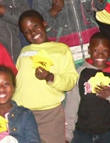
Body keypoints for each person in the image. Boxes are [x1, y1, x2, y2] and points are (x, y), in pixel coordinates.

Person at [14, 10, 78, 143]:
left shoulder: (61, 49)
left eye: (35, 26)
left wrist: (50, 77)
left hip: (49, 113)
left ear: (44, 24)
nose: (32, 33)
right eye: (26, 31)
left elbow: (71, 80)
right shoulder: (24, 51)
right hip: (22, 111)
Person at [64, 33, 110, 142]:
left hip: (109, 131)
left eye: (104, 50)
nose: (100, 55)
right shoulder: (81, 73)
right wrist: (67, 135)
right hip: (82, 131)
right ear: (89, 50)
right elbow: (72, 105)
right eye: (95, 50)